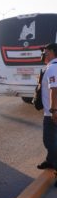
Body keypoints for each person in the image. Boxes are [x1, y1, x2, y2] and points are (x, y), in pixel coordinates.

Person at [37, 43, 57, 174]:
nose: (44, 54)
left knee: (49, 141)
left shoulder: (52, 68)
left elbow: (54, 90)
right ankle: (50, 161)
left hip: (52, 113)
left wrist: (53, 110)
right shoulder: (51, 67)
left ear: (52, 52)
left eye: (46, 52)